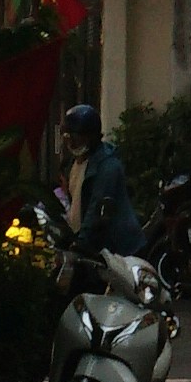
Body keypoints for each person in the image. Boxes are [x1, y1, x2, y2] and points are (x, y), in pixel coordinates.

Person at [56, 99, 143, 262]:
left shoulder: (108, 166)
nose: (72, 143)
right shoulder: (74, 164)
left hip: (116, 250)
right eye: (68, 138)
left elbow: (97, 207)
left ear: (93, 136)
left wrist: (82, 243)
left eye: (77, 137)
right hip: (93, 247)